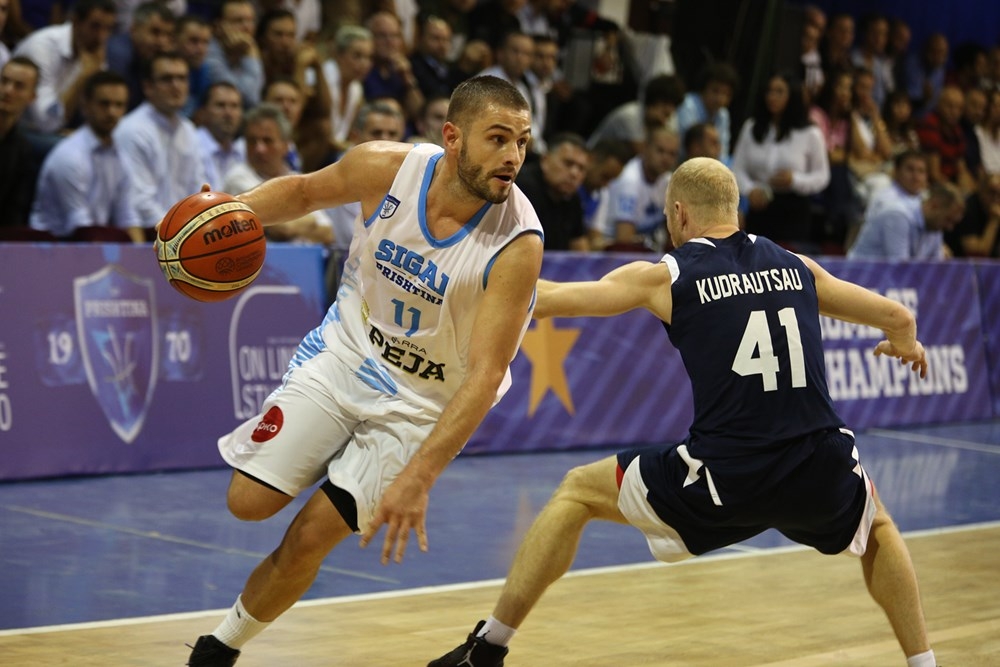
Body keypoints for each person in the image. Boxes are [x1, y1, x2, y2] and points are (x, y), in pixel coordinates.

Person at [429, 156, 939, 667]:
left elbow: (552, 300)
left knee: (576, 493)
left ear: (678, 213)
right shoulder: (796, 265)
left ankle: (488, 647)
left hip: (728, 475)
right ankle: (924, 663)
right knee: (877, 530)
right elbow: (898, 316)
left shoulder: (667, 274)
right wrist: (906, 345)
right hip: (816, 465)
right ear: (735, 210)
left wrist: (469, 282)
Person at [182, 75, 544, 667]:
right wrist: (226, 213)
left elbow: (484, 378)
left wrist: (419, 477)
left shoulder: (518, 244)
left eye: (523, 142)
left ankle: (218, 648)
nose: (512, 158)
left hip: (422, 405)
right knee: (246, 502)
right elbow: (301, 193)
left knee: (308, 540)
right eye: (497, 139)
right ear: (452, 138)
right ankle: (325, 444)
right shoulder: (385, 168)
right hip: (349, 351)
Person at [30, 70, 141, 241]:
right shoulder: (69, 156)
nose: (112, 112)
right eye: (104, 104)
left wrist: (139, 257)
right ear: (85, 105)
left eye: (119, 105)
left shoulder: (120, 156)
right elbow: (81, 227)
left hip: (91, 243)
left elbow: (127, 216)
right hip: (53, 248)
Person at [731, 71, 829, 252]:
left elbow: (822, 176)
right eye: (769, 91)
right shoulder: (751, 127)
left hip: (794, 209)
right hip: (760, 205)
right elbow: (737, 168)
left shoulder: (810, 133)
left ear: (792, 96)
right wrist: (750, 189)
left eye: (779, 92)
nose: (772, 97)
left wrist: (795, 180)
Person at [114, 50, 207, 240]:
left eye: (182, 78)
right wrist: (185, 234)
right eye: (167, 79)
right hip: (148, 236)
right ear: (148, 87)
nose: (176, 86)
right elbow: (139, 202)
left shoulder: (188, 129)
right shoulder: (132, 130)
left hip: (183, 234)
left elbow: (198, 189)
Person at [222, 101, 331, 244]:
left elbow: (328, 232)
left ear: (286, 145)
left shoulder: (296, 177)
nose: (259, 149)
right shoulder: (237, 178)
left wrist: (292, 225)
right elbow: (281, 229)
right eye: (252, 141)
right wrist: (309, 222)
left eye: (267, 141)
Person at [12, 0, 116, 135]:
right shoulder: (42, 48)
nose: (101, 37)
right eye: (95, 26)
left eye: (108, 29)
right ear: (75, 21)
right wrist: (83, 77)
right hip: (23, 131)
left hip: (59, 129)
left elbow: (101, 112)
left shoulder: (92, 50)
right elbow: (46, 123)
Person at [848, 149, 965, 260]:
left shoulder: (927, 203)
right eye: (910, 169)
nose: (916, 177)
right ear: (896, 172)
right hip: (863, 273)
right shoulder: (886, 200)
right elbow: (900, 267)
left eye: (921, 171)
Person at [515, 131, 590, 251]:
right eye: (568, 163)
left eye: (581, 168)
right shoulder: (522, 188)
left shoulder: (573, 197)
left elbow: (580, 251)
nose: (574, 173)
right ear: (545, 160)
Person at [587, 73, 684, 155]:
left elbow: (671, 151)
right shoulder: (630, 115)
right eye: (665, 103)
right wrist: (657, 127)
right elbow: (644, 155)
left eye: (673, 105)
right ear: (652, 100)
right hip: (595, 157)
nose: (669, 110)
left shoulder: (670, 119)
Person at [0, 55, 39, 230]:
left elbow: (14, 213)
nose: (8, 90)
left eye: (19, 86)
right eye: (4, 81)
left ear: (31, 97)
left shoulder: (23, 150)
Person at [675, 61, 738, 162]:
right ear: (703, 89)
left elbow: (722, 152)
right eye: (715, 91)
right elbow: (688, 148)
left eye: (726, 94)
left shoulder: (723, 114)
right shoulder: (687, 105)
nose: (720, 99)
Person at [205, 0, 263, 108]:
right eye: (238, 21)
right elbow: (249, 98)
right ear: (218, 26)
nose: (247, 27)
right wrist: (251, 52)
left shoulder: (243, 51)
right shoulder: (207, 52)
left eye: (250, 21)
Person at [196, 80, 244, 189]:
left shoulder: (243, 151)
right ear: (203, 112)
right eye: (220, 105)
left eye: (234, 106)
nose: (228, 113)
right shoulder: (191, 146)